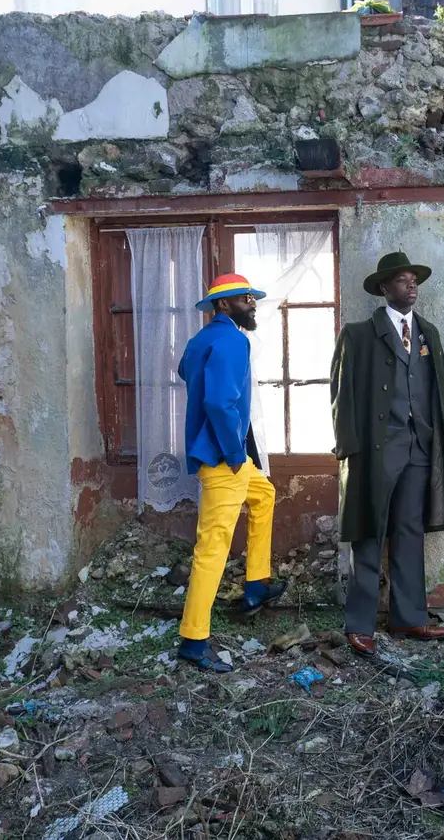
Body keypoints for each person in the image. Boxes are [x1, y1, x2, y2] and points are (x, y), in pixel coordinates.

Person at [330, 252, 444, 656]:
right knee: (369, 533)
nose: (412, 285)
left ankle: (409, 617)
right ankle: (359, 624)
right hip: (376, 449)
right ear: (384, 289)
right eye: (403, 280)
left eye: (414, 280)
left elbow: (440, 388)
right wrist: (348, 447)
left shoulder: (429, 333)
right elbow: (341, 395)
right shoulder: (357, 335)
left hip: (420, 446)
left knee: (409, 532)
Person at [176, 273, 288, 672]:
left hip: (229, 457)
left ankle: (256, 585)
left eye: (252, 298)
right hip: (225, 460)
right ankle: (193, 640)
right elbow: (222, 402)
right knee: (211, 551)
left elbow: (184, 371)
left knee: (264, 495)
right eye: (245, 299)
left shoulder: (201, 341)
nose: (252, 303)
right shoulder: (233, 340)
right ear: (224, 305)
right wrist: (234, 454)